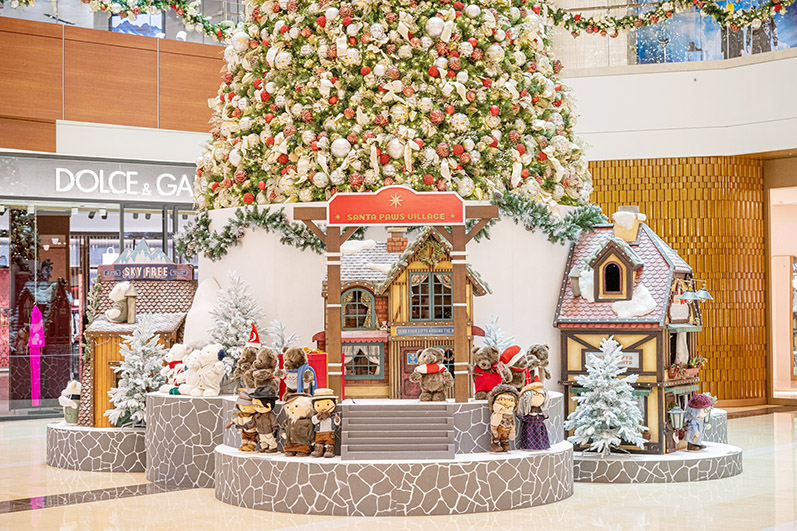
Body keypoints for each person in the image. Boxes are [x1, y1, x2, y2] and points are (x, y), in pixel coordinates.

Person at [516, 376, 550, 451]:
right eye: (536, 394)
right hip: (530, 428)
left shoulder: (540, 412)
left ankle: (542, 445)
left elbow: (543, 417)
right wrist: (519, 415)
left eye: (542, 395)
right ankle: (530, 447)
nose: (540, 397)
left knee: (540, 437)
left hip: (540, 427)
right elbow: (525, 418)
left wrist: (545, 416)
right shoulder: (529, 413)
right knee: (531, 438)